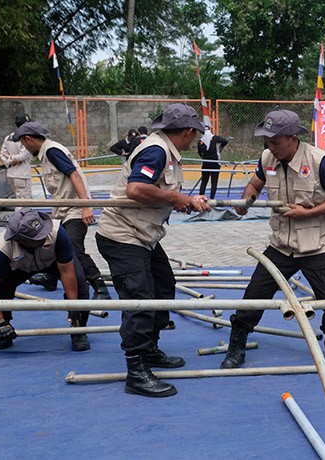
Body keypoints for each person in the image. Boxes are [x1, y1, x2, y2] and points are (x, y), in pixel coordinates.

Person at [220, 110, 325, 370]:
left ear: (293, 138)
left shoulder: (319, 161)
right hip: (280, 245)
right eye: (267, 141)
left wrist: (308, 213)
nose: (270, 146)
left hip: (317, 245)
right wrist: (247, 200)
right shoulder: (268, 157)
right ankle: (237, 345)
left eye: (275, 142)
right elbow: (255, 184)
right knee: (253, 298)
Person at [96, 103, 210, 398]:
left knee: (164, 285)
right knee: (140, 299)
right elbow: (136, 189)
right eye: (194, 133)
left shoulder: (166, 152)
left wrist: (184, 199)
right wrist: (175, 197)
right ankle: (136, 371)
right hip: (122, 236)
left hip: (144, 236)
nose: (195, 138)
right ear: (187, 131)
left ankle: (150, 350)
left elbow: (158, 193)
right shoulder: (156, 150)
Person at [14, 122, 111, 302]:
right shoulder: (47, 153)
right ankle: (51, 278)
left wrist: (86, 206)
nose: (24, 148)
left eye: (23, 143)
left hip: (74, 209)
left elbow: (74, 174)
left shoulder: (52, 151)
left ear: (28, 139)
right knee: (51, 244)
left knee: (73, 249)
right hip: (62, 210)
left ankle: (100, 286)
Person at [0, 208, 91, 351]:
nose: (45, 235)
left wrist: (74, 306)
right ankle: (2, 332)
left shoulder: (57, 232)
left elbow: (67, 272)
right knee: (0, 288)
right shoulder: (2, 248)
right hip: (20, 267)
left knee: (80, 284)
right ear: (22, 239)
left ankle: (78, 330)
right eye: (39, 236)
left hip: (53, 262)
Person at [0, 113, 33, 200]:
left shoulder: (8, 137)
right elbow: (24, 154)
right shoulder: (26, 137)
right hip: (22, 175)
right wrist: (14, 159)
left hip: (11, 174)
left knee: (17, 199)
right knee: (24, 202)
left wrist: (9, 160)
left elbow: (2, 154)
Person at [197, 125, 230, 199]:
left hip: (205, 162)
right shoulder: (215, 138)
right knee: (214, 182)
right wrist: (221, 147)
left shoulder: (201, 141)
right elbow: (225, 141)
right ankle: (212, 198)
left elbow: (199, 152)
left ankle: (200, 197)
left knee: (204, 181)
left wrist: (204, 157)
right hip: (215, 162)